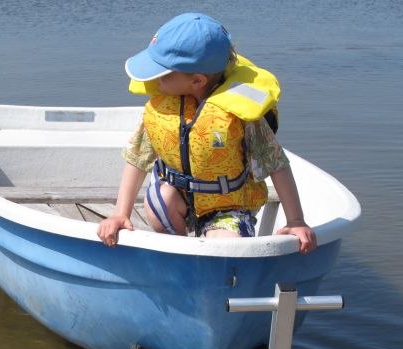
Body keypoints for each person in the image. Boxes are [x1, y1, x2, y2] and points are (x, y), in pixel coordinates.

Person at [96, 12, 317, 253]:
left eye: (164, 74)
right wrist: (120, 213)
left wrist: (296, 221)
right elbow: (137, 158)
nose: (155, 79)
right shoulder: (164, 108)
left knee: (227, 247)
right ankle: (180, 251)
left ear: (198, 80)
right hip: (178, 196)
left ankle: (214, 249)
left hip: (227, 205)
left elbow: (277, 164)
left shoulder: (240, 115)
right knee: (160, 201)